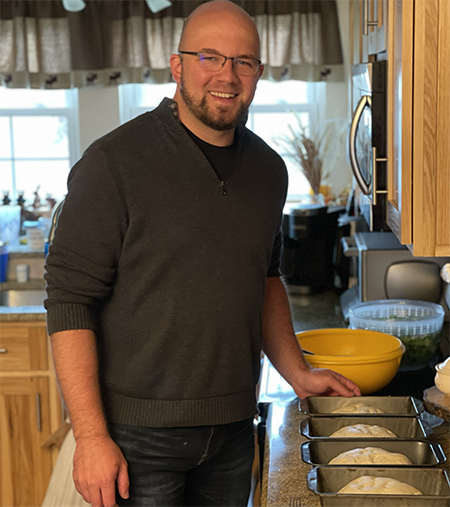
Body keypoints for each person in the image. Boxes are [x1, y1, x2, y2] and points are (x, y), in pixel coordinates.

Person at [44, 2, 361, 506]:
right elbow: (68, 303)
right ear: (177, 65)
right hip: (136, 438)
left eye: (243, 62)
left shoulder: (269, 171)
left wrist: (296, 372)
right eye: (209, 57)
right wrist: (91, 437)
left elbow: (265, 279)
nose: (227, 76)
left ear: (259, 72)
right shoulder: (113, 163)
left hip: (234, 427)